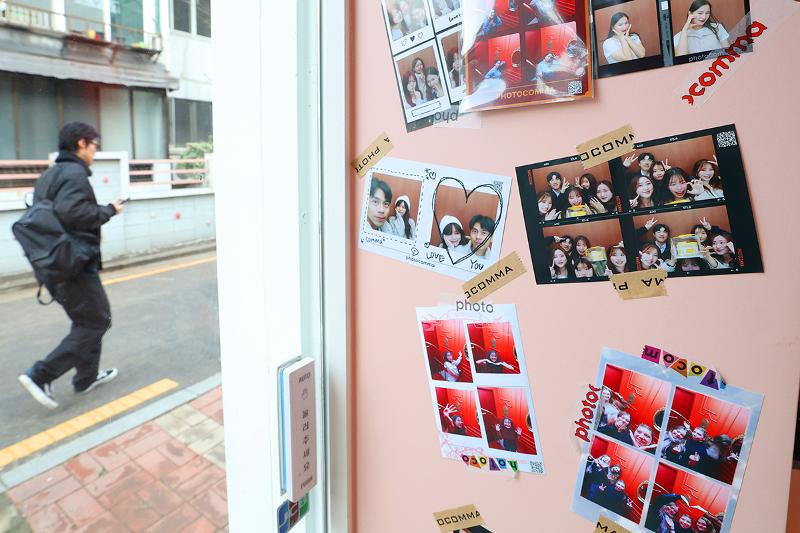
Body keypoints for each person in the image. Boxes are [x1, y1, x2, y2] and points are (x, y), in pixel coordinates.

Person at [17, 123, 124, 409]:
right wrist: (109, 210)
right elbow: (74, 213)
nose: (95, 152)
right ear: (81, 144)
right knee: (97, 321)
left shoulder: (49, 175)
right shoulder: (75, 174)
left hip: (53, 265)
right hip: (74, 264)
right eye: (94, 146)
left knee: (89, 320)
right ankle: (40, 375)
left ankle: (86, 378)